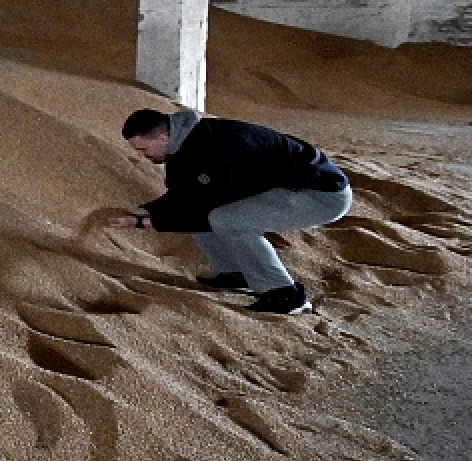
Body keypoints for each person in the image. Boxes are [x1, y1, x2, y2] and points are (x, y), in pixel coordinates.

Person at [103, 108, 352, 315]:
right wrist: (143, 211)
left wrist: (145, 223)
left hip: (321, 194)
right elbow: (184, 195)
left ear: (161, 138)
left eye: (143, 150)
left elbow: (202, 203)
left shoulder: (216, 149)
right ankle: (236, 274)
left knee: (226, 219)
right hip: (278, 187)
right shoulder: (182, 144)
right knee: (212, 214)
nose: (142, 156)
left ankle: (286, 296)